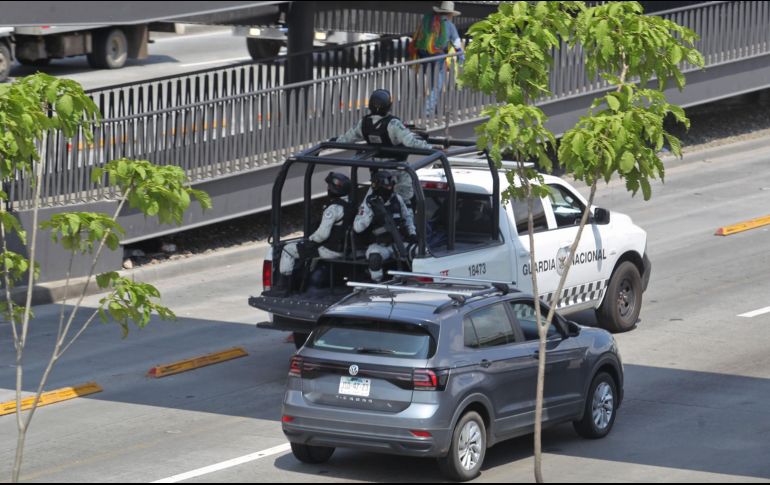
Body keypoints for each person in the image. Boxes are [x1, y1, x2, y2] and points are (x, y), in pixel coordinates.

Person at [336, 88, 432, 205]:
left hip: (376, 169)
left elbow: (346, 139)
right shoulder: (393, 123)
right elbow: (411, 142)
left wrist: (334, 140)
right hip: (397, 168)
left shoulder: (364, 123)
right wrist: (430, 148)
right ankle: (406, 219)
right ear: (388, 106)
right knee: (407, 200)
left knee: (375, 198)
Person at [274, 172, 355, 295]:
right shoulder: (350, 206)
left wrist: (309, 241)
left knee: (288, 249)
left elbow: (322, 235)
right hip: (344, 249)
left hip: (330, 250)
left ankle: (283, 288)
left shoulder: (333, 209)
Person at [353, 170, 417, 282]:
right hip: (380, 245)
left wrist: (412, 234)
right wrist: (371, 215)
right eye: (386, 185)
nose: (389, 188)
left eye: (391, 184)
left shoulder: (397, 199)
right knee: (374, 259)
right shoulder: (369, 204)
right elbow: (357, 227)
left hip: (399, 242)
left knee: (419, 251)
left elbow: (407, 218)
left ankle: (420, 279)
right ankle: (377, 283)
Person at [410, 1, 464, 115]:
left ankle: (433, 108)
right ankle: (427, 111)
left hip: (424, 55)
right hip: (437, 57)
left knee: (433, 82)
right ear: (450, 14)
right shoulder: (449, 24)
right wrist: (462, 59)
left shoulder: (428, 22)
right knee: (438, 85)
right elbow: (457, 43)